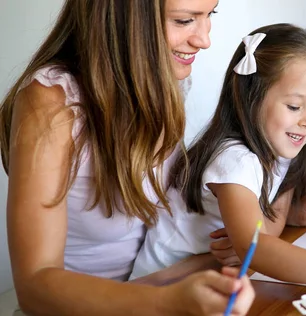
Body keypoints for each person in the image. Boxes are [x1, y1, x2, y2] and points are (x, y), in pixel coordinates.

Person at [0, 0, 254, 315]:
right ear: (125, 18)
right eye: (185, 20)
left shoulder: (165, 81)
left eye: (209, 14)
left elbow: (158, 217)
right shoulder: (51, 103)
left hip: (155, 286)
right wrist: (168, 303)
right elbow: (35, 286)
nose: (204, 39)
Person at [130, 23, 306, 295]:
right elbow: (254, 245)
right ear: (251, 98)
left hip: (211, 279)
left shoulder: (280, 150)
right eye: (294, 107)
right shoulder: (234, 160)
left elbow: (263, 231)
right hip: (158, 291)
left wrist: (291, 214)